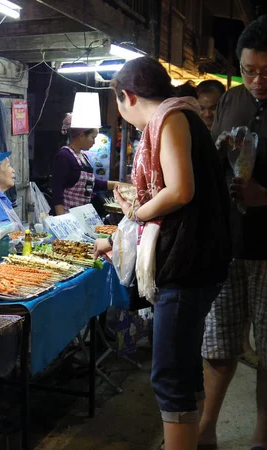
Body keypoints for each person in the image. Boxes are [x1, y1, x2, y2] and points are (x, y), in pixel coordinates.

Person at [94, 56, 231, 450]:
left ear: (128, 96)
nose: (122, 115)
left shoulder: (170, 119)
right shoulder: (179, 116)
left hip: (188, 263)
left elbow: (179, 190)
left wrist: (137, 210)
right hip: (198, 260)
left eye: (118, 105)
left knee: (170, 374)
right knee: (184, 368)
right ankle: (198, 441)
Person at [199, 15, 267, 450]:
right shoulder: (232, 101)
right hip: (230, 246)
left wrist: (265, 196)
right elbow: (214, 158)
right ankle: (204, 434)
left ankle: (262, 438)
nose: (258, 80)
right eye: (249, 70)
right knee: (219, 344)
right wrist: (216, 154)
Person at [52, 113, 118, 215]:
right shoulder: (64, 155)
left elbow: (92, 184)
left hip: (81, 214)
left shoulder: (84, 157)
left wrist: (117, 185)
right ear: (82, 136)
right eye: (93, 137)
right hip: (67, 215)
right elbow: (57, 190)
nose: (94, 142)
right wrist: (61, 219)